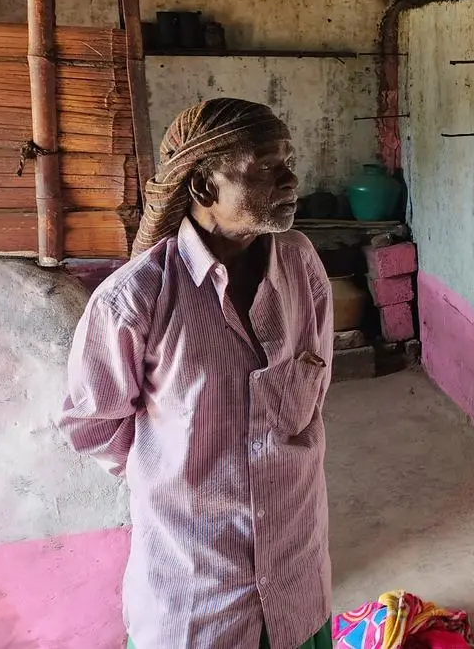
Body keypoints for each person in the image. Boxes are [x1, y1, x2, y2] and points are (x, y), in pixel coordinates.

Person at [58, 98, 334, 649]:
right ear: (205, 188)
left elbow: (316, 387)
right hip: (195, 604)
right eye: (266, 165)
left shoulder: (302, 265)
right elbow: (92, 427)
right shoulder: (136, 298)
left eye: (289, 160)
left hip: (298, 584)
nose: (290, 177)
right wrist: (177, 471)